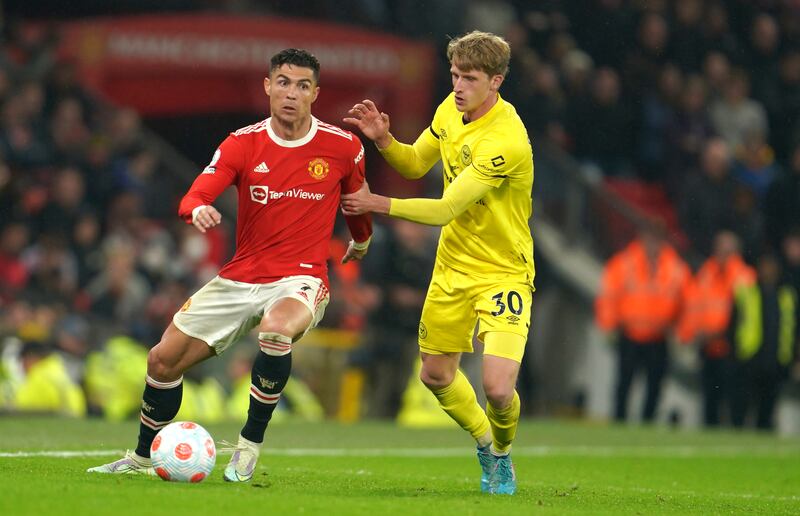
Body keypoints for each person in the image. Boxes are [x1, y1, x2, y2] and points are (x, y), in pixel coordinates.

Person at [88, 49, 372, 481]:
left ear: (315, 93)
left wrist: (362, 240)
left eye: (301, 85)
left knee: (276, 330)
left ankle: (247, 447)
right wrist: (196, 209)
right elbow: (195, 194)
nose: (290, 93)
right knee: (162, 362)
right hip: (241, 276)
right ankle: (142, 458)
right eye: (282, 82)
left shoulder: (342, 146)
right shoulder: (243, 143)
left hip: (301, 277)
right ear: (267, 86)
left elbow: (357, 202)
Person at [341, 31, 533, 495]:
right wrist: (385, 140)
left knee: (499, 389)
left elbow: (448, 208)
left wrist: (378, 204)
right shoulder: (450, 110)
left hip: (503, 271)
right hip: (452, 268)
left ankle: (504, 454)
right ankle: (486, 443)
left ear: (496, 81)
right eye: (454, 75)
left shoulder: (507, 140)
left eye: (469, 78)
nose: (458, 86)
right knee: (435, 374)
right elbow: (413, 164)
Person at [595, 224, 691, 424]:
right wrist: (608, 324)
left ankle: (647, 421)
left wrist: (682, 334)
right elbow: (609, 295)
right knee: (624, 382)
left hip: (659, 336)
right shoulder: (624, 263)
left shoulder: (675, 269)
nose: (652, 244)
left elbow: (687, 303)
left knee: (655, 385)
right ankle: (619, 420)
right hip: (630, 333)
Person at [679, 231, 755, 427]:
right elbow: (694, 305)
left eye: (727, 250)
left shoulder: (744, 277)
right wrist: (692, 334)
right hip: (708, 348)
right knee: (709, 400)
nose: (722, 254)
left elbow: (746, 317)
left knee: (733, 401)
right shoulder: (706, 273)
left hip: (732, 350)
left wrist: (722, 333)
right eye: (720, 249)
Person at [729, 253, 798, 430]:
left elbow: (793, 329)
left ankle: (763, 432)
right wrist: (736, 353)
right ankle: (738, 433)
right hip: (750, 359)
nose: (769, 271)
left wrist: (793, 358)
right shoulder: (747, 292)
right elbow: (734, 325)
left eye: (772, 266)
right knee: (741, 404)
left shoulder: (787, 296)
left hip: (776, 360)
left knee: (767, 407)